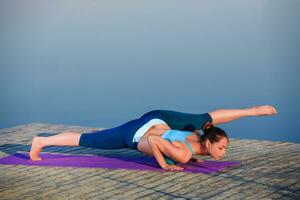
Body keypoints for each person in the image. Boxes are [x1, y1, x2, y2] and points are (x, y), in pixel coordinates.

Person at [29, 105, 277, 171]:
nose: (224, 153)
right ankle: (41, 141)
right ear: (209, 143)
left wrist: (252, 112)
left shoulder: (198, 133)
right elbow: (158, 143)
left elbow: (210, 118)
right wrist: (163, 165)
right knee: (88, 140)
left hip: (158, 118)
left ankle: (253, 110)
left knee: (203, 116)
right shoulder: (184, 153)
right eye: (221, 148)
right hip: (136, 134)